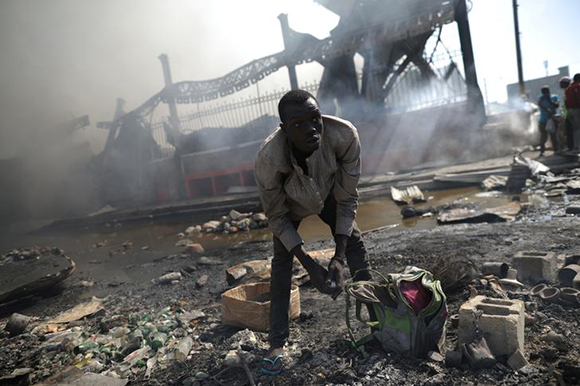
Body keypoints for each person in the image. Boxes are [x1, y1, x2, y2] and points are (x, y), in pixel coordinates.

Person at [255, 90, 372, 375]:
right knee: (281, 264)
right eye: (298, 124)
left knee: (354, 243)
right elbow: (277, 217)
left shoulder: (344, 137)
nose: (310, 129)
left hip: (329, 193)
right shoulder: (270, 158)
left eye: (315, 119)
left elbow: (347, 201)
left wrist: (338, 258)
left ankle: (378, 317)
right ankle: (277, 342)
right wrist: (309, 265)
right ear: (284, 129)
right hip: (291, 204)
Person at [537, 86, 559, 156]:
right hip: (543, 120)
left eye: (546, 92)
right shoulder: (541, 98)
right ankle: (542, 151)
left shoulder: (554, 97)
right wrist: (548, 110)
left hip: (553, 119)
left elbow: (556, 105)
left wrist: (550, 100)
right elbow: (541, 105)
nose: (545, 93)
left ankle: (556, 149)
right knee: (543, 136)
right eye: (544, 92)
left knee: (553, 135)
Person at [565, 73, 580, 151]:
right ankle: (577, 147)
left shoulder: (568, 88)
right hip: (576, 109)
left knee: (575, 129)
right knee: (578, 128)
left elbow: (566, 100)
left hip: (569, 110)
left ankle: (576, 146)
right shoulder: (578, 86)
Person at [559, 76, 573, 151]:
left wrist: (564, 115)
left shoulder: (569, 90)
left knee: (570, 130)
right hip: (568, 114)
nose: (560, 85)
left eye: (561, 83)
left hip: (570, 113)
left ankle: (571, 147)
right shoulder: (567, 91)